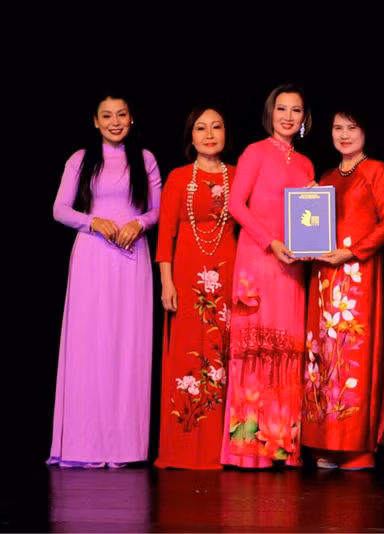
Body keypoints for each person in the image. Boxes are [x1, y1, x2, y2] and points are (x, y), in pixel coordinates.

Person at [49, 91, 162, 468]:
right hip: (92, 259)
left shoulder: (144, 159)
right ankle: (86, 445)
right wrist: (92, 221)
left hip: (132, 260)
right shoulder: (81, 160)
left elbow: (157, 209)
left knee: (128, 347)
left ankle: (124, 448)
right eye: (107, 116)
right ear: (95, 122)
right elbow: (59, 209)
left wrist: (139, 223)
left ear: (131, 119)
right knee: (90, 348)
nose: (115, 121)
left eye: (122, 114)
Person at [221, 85, 314, 468]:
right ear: (269, 113)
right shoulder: (255, 152)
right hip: (258, 261)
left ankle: (281, 449)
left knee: (286, 350)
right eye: (282, 109)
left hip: (292, 265)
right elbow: (235, 205)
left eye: (296, 110)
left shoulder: (306, 163)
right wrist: (270, 241)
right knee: (255, 352)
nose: (288, 116)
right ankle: (246, 452)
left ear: (304, 118)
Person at [302, 108, 384, 470]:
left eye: (352, 128)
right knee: (322, 359)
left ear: (365, 132)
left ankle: (356, 446)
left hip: (358, 274)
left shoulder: (377, 170)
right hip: (324, 276)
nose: (344, 135)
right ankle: (323, 442)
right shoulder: (325, 176)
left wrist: (351, 251)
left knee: (353, 354)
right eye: (337, 128)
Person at [155, 106, 236, 469]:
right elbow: (165, 234)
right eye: (201, 128)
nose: (208, 134)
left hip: (228, 272)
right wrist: (166, 281)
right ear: (190, 136)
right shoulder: (177, 178)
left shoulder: (238, 175)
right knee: (187, 357)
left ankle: (221, 449)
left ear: (225, 134)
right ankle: (183, 447)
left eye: (216, 127)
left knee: (222, 356)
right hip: (186, 276)